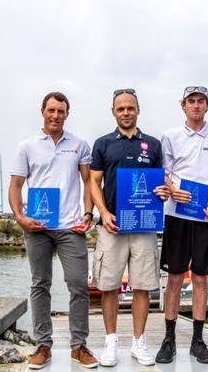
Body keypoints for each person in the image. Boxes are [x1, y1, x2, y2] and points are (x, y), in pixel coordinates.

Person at [8, 92, 99, 370]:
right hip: (37, 227)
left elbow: (88, 182)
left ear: (67, 114)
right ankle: (43, 345)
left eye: (61, 111)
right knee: (40, 285)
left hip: (71, 227)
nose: (55, 116)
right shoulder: (27, 146)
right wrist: (20, 217)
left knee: (78, 285)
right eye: (51, 110)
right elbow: (15, 186)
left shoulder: (79, 145)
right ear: (42, 111)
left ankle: (78, 346)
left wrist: (87, 214)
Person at [89, 88, 169, 367]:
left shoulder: (153, 145)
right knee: (108, 286)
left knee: (143, 287)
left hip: (145, 227)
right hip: (111, 227)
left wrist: (163, 193)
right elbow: (93, 182)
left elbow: (162, 183)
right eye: (120, 108)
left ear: (138, 110)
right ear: (113, 112)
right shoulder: (102, 143)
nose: (126, 112)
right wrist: (103, 212)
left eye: (130, 108)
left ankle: (139, 342)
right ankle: (110, 343)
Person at [156, 85, 208, 364]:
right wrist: (172, 190)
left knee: (200, 280)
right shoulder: (170, 136)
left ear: (207, 105)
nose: (196, 106)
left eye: (201, 101)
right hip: (176, 215)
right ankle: (169, 339)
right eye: (191, 101)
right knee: (175, 278)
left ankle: (198, 341)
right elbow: (163, 173)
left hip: (205, 219)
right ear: (182, 105)